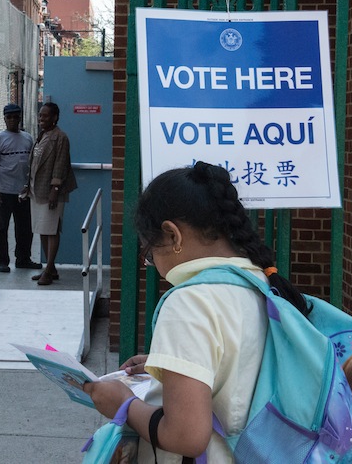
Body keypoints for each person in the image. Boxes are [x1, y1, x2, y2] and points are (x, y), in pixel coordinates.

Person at [83, 161, 312, 463]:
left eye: (149, 253)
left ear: (173, 235)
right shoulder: (262, 282)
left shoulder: (189, 302)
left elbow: (186, 436)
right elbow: (244, 364)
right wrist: (173, 366)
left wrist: (123, 403)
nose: (151, 263)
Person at [23, 101, 77, 285]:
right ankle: (51, 269)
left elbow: (60, 164)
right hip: (36, 191)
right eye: (40, 115)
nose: (41, 118)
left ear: (55, 117)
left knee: (51, 230)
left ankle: (49, 268)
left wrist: (55, 189)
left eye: (45, 115)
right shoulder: (42, 136)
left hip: (51, 193)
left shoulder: (60, 137)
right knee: (42, 230)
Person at [0, 103, 40, 273]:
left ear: (19, 118)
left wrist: (29, 186)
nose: (12, 120)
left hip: (23, 191)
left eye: (15, 116)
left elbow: (32, 163)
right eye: (8, 117)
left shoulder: (27, 138)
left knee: (25, 228)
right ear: (4, 119)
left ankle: (23, 258)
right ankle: (1, 261)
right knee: (2, 228)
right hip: (4, 191)